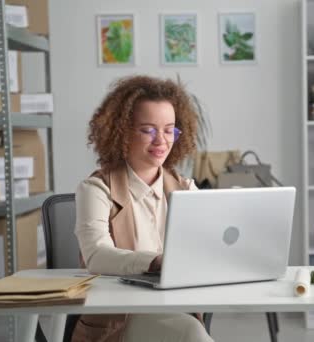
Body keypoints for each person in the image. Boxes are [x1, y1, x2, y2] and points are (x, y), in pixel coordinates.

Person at [71, 75, 214, 342]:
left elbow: (208, 248)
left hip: (174, 308)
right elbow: (96, 256)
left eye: (169, 129)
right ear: (122, 131)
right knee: (192, 335)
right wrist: (154, 262)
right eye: (148, 130)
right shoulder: (96, 189)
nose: (161, 141)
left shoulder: (186, 190)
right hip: (119, 319)